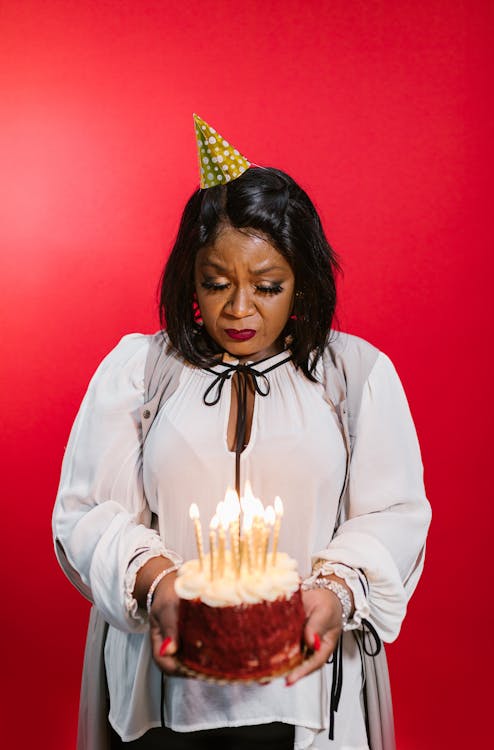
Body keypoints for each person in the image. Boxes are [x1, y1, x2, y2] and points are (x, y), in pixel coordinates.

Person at [52, 118, 431, 750]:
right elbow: (86, 512)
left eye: (267, 286)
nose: (239, 309)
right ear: (189, 280)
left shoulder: (356, 377)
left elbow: (394, 514)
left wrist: (337, 590)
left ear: (303, 283)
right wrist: (157, 580)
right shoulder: (139, 371)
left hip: (304, 699)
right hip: (164, 699)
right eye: (216, 283)